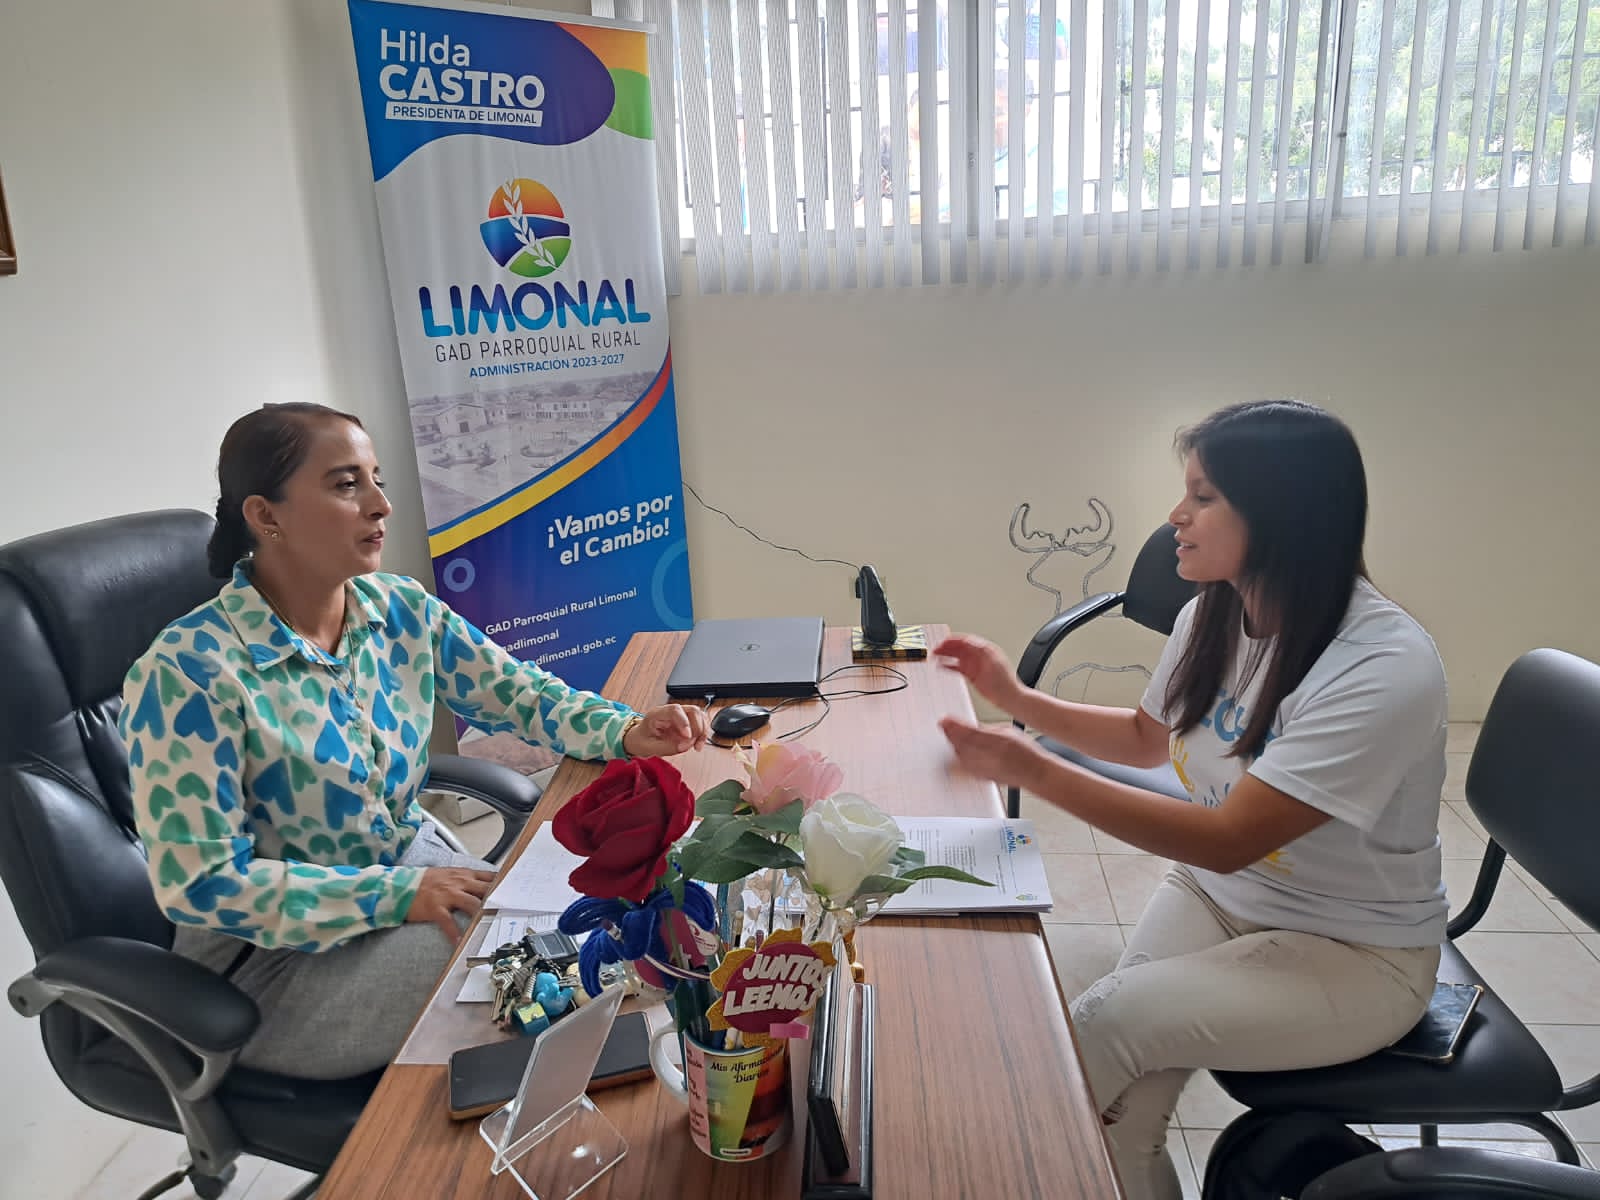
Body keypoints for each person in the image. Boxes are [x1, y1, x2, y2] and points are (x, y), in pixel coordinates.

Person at [936, 400, 1447, 1200]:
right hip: (1221, 897)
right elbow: (1148, 737)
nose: (1176, 516)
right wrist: (1016, 700)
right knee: (1121, 1099)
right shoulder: (1216, 610)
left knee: (1103, 1028)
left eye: (1204, 496)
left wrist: (1033, 770)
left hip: (1357, 954)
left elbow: (1227, 839)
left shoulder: (1382, 666)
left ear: (1284, 515)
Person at [121, 402, 709, 1080]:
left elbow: (517, 694)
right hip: (277, 968)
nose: (380, 505)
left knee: (582, 926)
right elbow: (202, 884)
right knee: (530, 982)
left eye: (377, 480)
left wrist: (624, 729)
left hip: (404, 877)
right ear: (265, 514)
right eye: (346, 485)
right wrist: (396, 895)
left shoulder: (396, 609)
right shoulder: (190, 672)